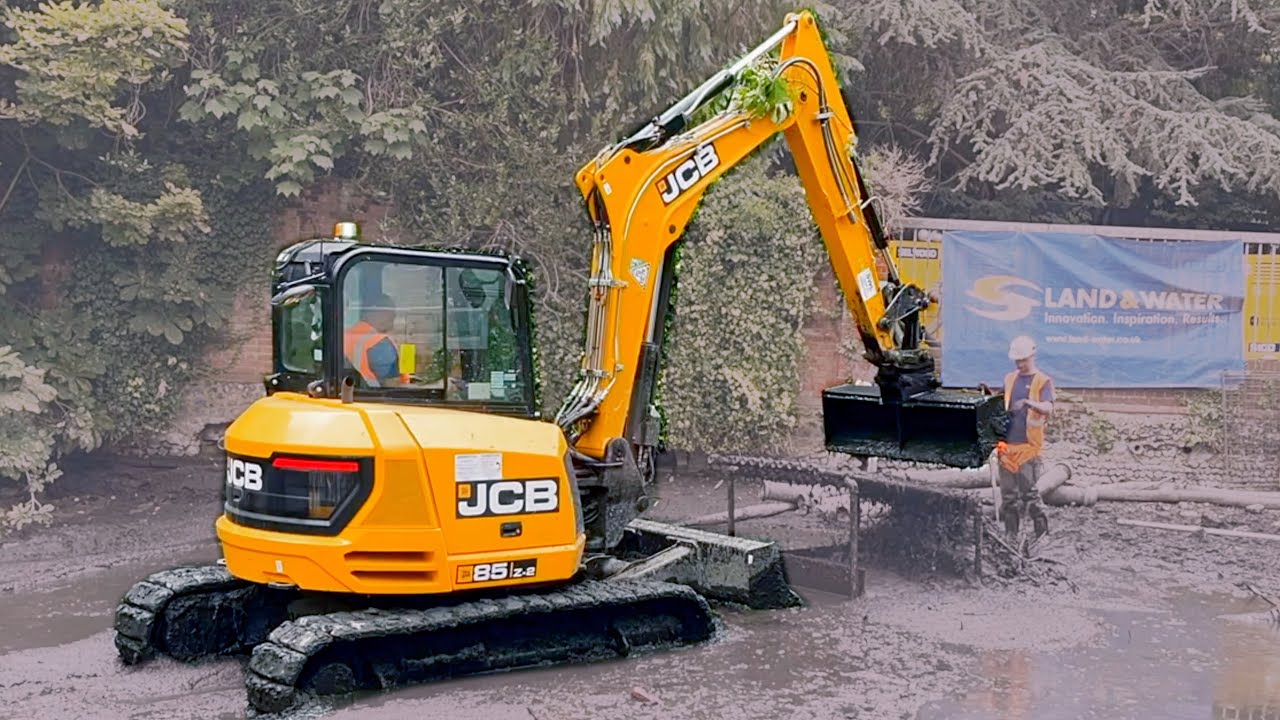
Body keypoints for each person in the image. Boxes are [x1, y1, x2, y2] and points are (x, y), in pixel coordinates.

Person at [994, 334, 1054, 549]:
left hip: (1029, 449)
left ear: (1032, 356)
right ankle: (1011, 533)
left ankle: (1041, 533)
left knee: (1030, 494)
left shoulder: (1042, 381)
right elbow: (1000, 404)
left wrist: (1029, 403)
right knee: (1008, 495)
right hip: (1007, 447)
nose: (1019, 364)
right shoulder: (1010, 379)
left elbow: (1048, 407)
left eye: (1023, 360)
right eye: (1017, 361)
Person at [344, 293, 407, 387]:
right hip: (376, 395)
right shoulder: (380, 343)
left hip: (353, 392)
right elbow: (391, 383)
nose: (394, 316)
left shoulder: (345, 335)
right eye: (390, 311)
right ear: (376, 313)